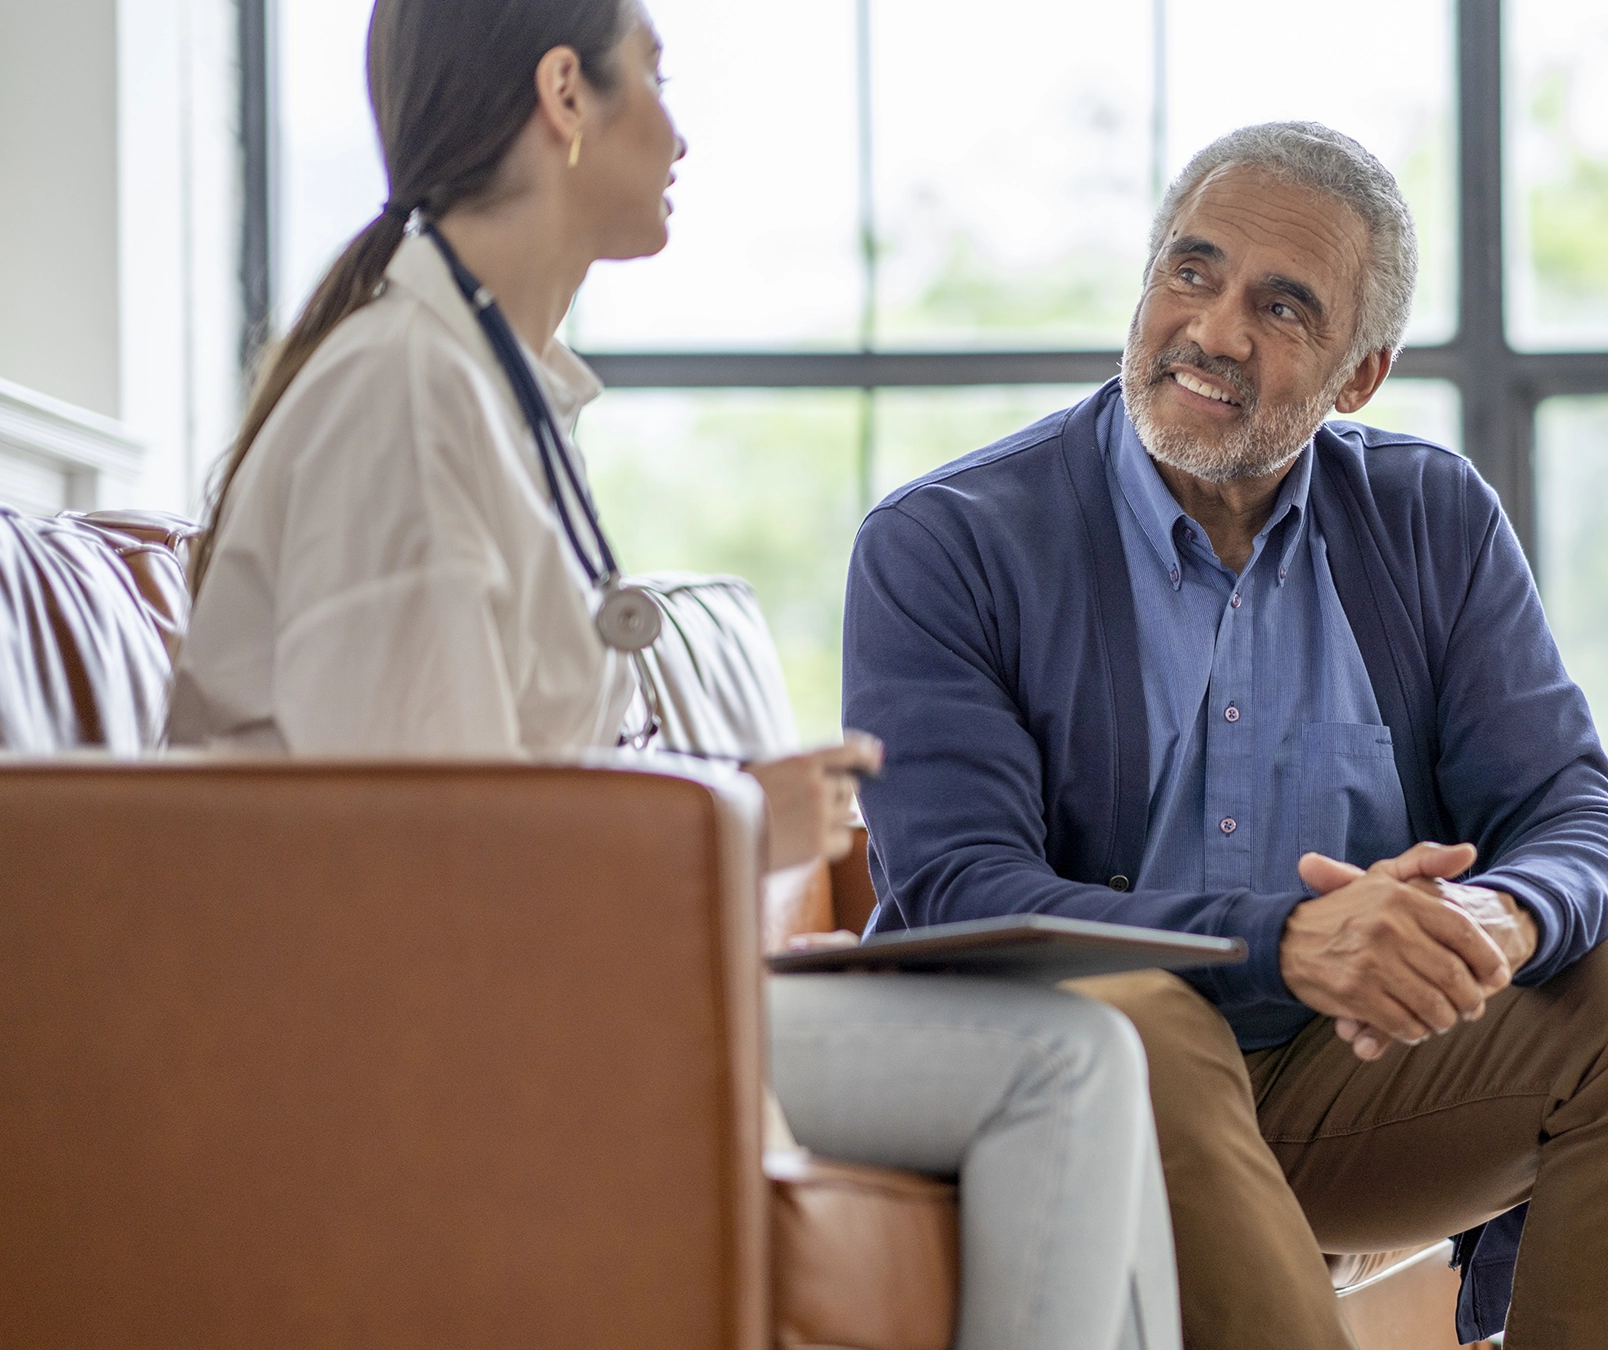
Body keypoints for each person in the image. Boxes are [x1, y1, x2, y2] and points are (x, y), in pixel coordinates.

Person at [167, 4, 1178, 1347]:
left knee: (1102, 1032)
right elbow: (422, 863)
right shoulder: (404, 398)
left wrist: (727, 822)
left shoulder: (486, 383)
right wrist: (737, 820)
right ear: (563, 97)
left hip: (530, 975)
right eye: (655, 77)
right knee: (1066, 1067)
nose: (680, 127)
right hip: (408, 1022)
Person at [842, 121, 1608, 1350]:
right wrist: (1290, 941)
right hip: (1057, 1076)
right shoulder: (946, 542)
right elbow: (961, 895)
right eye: (1191, 272)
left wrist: (1498, 919)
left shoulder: (1428, 517)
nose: (1214, 332)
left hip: (1333, 1080)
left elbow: (1579, 819)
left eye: (1281, 308)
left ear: (1357, 375)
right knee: (1145, 1018)